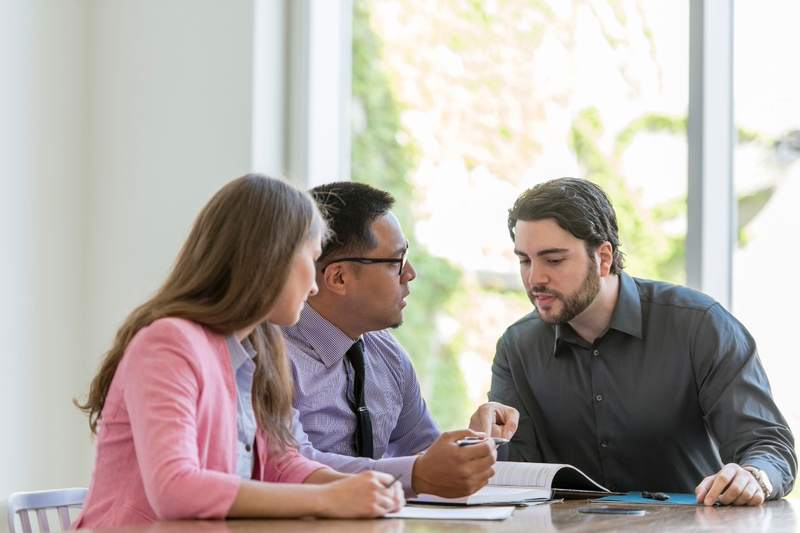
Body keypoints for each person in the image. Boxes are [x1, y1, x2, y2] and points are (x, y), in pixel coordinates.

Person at [73, 175, 403, 528]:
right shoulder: (168, 343)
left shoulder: (258, 348)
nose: (314, 284)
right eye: (313, 258)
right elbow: (175, 489)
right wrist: (329, 498)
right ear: (273, 259)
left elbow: (282, 463)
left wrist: (359, 487)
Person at [488, 177, 796, 506]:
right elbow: (515, 474)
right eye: (525, 260)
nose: (535, 278)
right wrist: (487, 446)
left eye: (554, 260)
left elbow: (769, 445)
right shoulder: (516, 348)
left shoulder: (700, 326)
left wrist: (753, 476)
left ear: (603, 257)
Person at [282, 181, 518, 498]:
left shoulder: (386, 352)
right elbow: (291, 465)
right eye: (396, 262)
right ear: (339, 277)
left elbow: (425, 454)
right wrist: (418, 474)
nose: (410, 274)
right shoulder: (270, 354)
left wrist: (473, 441)